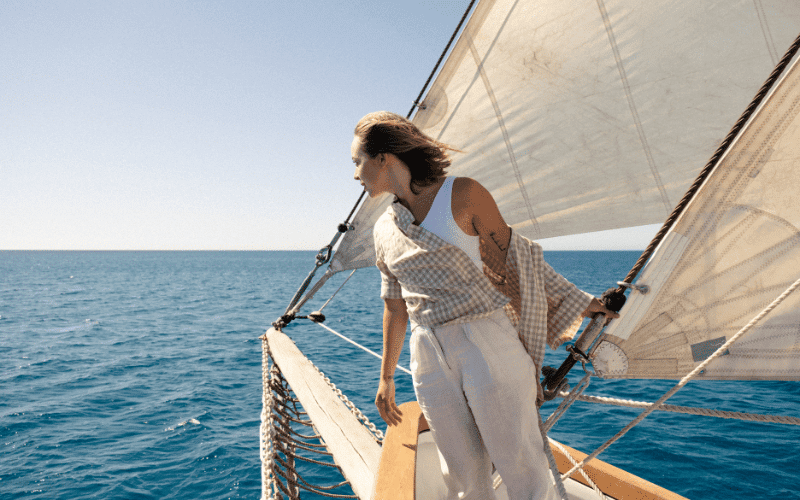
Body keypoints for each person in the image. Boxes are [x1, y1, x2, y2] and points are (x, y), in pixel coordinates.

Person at [352, 111, 618, 500]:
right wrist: (386, 377)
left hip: (485, 338)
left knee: (519, 458)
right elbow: (395, 308)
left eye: (357, 161)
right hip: (426, 350)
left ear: (383, 158)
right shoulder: (384, 229)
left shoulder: (462, 194)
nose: (354, 173)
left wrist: (581, 303)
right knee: (460, 469)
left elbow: (518, 261)